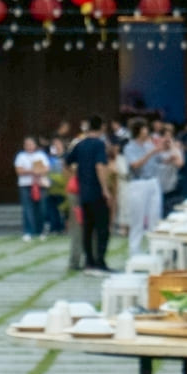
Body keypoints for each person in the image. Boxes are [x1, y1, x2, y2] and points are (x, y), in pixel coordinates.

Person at [69, 115, 112, 272]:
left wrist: (76, 177)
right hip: (96, 191)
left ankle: (89, 261)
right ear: (102, 127)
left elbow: (67, 162)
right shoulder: (99, 144)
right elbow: (99, 166)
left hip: (83, 192)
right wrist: (105, 189)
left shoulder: (80, 144)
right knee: (102, 228)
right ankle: (100, 260)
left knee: (87, 228)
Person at [14, 135, 50, 240]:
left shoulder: (41, 155)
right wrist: (32, 171)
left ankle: (40, 230)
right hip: (25, 184)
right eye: (27, 144)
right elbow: (19, 170)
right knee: (27, 208)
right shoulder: (20, 156)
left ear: (35, 145)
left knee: (41, 208)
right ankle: (28, 231)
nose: (29, 146)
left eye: (31, 144)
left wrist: (38, 171)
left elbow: (47, 168)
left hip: (39, 184)